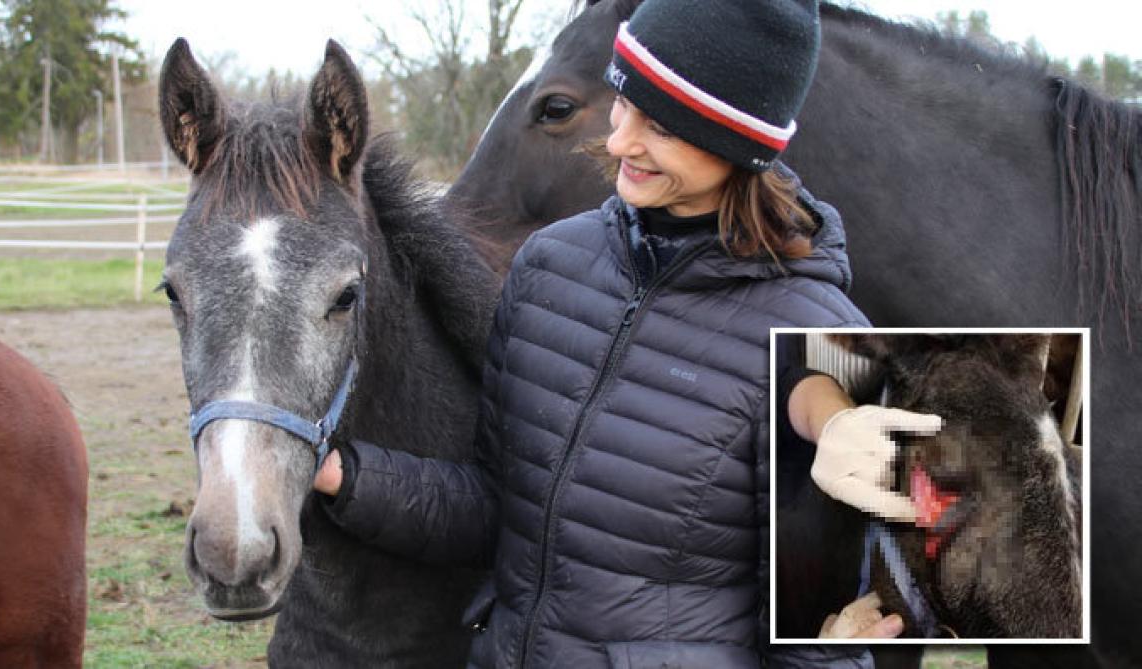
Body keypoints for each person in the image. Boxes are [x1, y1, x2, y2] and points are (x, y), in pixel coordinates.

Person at [314, 0, 938, 665]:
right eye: (623, 103)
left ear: (736, 142)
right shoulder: (550, 266)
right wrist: (346, 476)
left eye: (660, 126)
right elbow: (500, 508)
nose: (619, 142)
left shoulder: (819, 340)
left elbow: (815, 626)